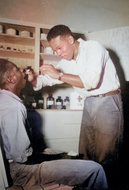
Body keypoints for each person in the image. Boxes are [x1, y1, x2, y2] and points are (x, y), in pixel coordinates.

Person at [0, 59, 108, 190]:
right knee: (95, 169)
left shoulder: (5, 100)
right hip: (21, 171)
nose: (22, 71)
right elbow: (21, 157)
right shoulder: (14, 107)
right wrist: (54, 158)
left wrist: (56, 156)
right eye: (17, 69)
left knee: (67, 156)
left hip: (13, 166)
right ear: (11, 79)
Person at [29, 25, 124, 167]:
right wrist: (33, 79)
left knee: (106, 155)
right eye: (55, 50)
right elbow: (46, 80)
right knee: (85, 153)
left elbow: (90, 81)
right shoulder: (66, 61)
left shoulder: (93, 48)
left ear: (70, 39)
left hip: (108, 101)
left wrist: (59, 75)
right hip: (89, 104)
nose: (58, 53)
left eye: (60, 48)